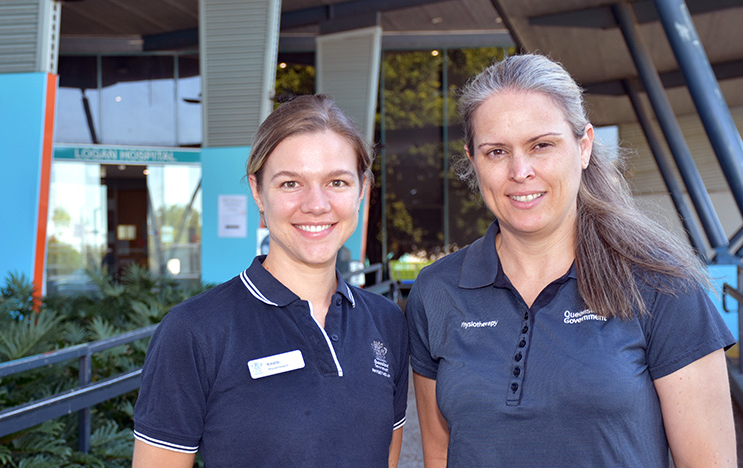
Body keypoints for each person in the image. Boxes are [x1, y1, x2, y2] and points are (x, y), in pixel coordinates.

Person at [406, 54, 737, 467]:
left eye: (541, 145)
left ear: (583, 147)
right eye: (496, 152)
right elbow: (439, 457)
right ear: (473, 162)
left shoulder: (660, 283)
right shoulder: (436, 291)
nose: (520, 171)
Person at [133, 94, 409, 468]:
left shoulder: (387, 321)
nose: (316, 204)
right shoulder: (195, 330)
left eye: (337, 182)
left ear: (362, 190)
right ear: (257, 192)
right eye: (291, 183)